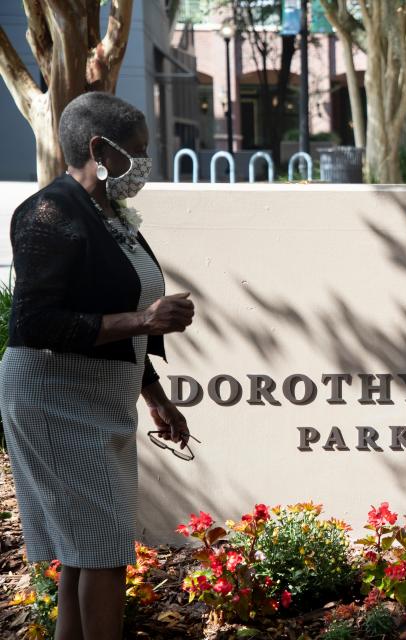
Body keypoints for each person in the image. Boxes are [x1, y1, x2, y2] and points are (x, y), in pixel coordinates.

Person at [0, 92, 195, 640]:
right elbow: (37, 322)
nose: (144, 164)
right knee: (102, 552)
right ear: (98, 149)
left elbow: (120, 314)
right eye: (136, 152)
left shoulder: (109, 216)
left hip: (103, 399)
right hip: (51, 398)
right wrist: (145, 320)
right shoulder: (47, 213)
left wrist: (155, 396)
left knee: (86, 549)